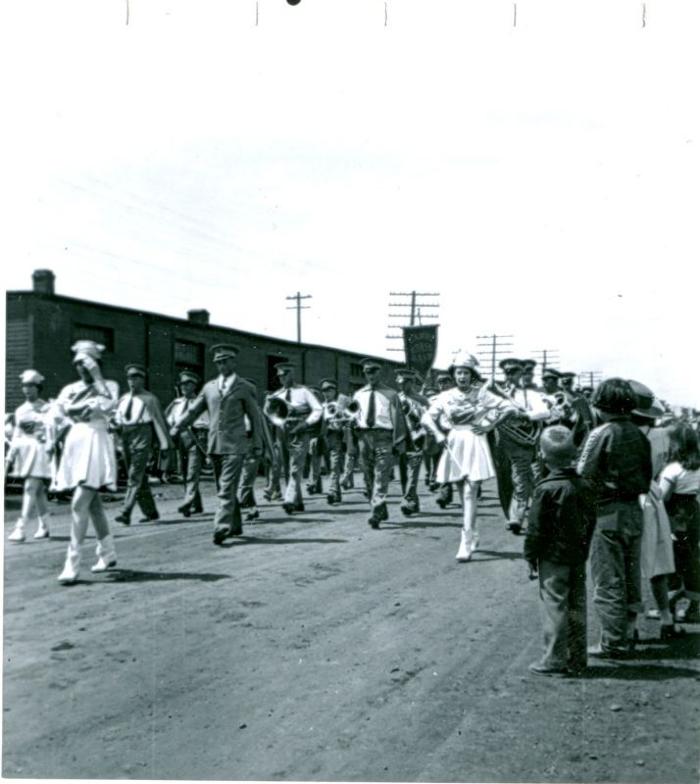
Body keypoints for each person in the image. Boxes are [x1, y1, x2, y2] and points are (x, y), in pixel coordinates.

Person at [577, 378, 652, 658]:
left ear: (601, 404)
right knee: (631, 575)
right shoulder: (639, 434)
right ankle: (629, 630)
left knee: (608, 578)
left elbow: (583, 473)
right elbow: (647, 474)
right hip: (634, 510)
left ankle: (612, 640)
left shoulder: (601, 433)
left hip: (607, 512)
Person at [422, 351, 515, 561]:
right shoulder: (445, 396)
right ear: (453, 374)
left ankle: (465, 541)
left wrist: (491, 425)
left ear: (472, 374)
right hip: (454, 441)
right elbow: (427, 417)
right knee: (462, 492)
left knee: (470, 491)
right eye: (458, 373)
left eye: (465, 373)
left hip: (475, 441)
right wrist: (437, 433)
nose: (461, 377)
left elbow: (509, 408)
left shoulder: (482, 394)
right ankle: (472, 530)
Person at [170, 344, 264, 545]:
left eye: (225, 361)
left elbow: (255, 418)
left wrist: (257, 443)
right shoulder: (209, 387)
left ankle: (221, 527)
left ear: (233, 362)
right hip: (214, 445)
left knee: (226, 487)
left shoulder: (245, 387)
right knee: (224, 486)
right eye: (218, 362)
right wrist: (178, 426)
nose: (221, 365)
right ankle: (236, 525)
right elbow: (194, 411)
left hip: (236, 446)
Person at [525, 426, 596, 676]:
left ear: (543, 456)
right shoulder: (584, 485)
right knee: (577, 603)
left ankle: (554, 658)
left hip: (552, 557)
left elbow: (535, 529)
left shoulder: (545, 489)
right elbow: (591, 521)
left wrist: (530, 556)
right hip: (577, 554)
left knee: (554, 605)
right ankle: (577, 657)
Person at [51, 341, 120, 583]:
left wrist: (96, 376)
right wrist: (75, 410)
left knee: (79, 503)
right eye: (79, 363)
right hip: (76, 444)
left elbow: (109, 405)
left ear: (97, 364)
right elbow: (58, 413)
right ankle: (108, 552)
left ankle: (72, 563)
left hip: (95, 443)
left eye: (87, 363)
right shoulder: (70, 388)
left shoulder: (109, 385)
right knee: (93, 506)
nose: (82, 368)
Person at [628, 380, 680, 639]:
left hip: (630, 497)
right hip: (653, 495)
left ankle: (631, 625)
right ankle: (666, 617)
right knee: (657, 560)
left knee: (630, 563)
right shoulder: (662, 435)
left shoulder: (621, 434)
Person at [113, 364, 173, 525]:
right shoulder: (123, 399)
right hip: (125, 435)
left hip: (142, 433)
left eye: (136, 377)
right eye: (129, 378)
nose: (132, 381)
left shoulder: (150, 399)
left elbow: (159, 422)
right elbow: (117, 419)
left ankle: (125, 511)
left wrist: (165, 445)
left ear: (142, 379)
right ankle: (150, 512)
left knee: (135, 474)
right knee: (138, 476)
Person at [497, 358, 550, 536]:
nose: (509, 376)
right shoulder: (497, 394)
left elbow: (545, 412)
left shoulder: (529, 395)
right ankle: (513, 514)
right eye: (507, 372)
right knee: (507, 481)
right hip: (502, 443)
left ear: (521, 374)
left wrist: (524, 414)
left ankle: (517, 517)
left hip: (523, 442)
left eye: (513, 372)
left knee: (521, 477)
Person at [353, 358, 408, 528]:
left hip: (384, 437)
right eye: (367, 372)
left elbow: (398, 419)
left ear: (380, 373)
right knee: (368, 476)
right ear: (364, 374)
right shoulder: (358, 395)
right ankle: (380, 506)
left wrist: (398, 442)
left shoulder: (391, 395)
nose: (371, 375)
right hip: (364, 437)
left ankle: (376, 511)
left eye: (374, 371)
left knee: (381, 474)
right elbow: (354, 417)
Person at [264, 363, 322, 515]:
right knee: (287, 467)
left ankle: (289, 499)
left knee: (295, 467)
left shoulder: (304, 391)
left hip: (300, 429)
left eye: (284, 375)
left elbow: (318, 409)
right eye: (280, 376)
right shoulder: (277, 394)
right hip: (282, 430)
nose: (282, 378)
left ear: (291, 374)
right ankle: (298, 502)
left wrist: (306, 424)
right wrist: (267, 405)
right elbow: (269, 413)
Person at [658, 423, 700, 624]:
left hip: (674, 515)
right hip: (693, 512)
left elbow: (663, 496)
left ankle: (669, 606)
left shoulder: (672, 469)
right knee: (692, 559)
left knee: (672, 560)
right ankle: (694, 607)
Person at [6, 370, 54, 542]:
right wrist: (9, 458)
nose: (27, 390)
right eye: (25, 386)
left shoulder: (46, 408)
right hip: (26, 454)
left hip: (41, 453)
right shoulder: (20, 411)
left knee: (29, 487)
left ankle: (21, 528)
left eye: (31, 386)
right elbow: (17, 435)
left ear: (38, 388)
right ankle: (45, 525)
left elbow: (51, 432)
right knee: (38, 490)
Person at [165, 370, 210, 517]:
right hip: (180, 439)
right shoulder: (176, 403)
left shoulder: (202, 402)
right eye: (182, 383)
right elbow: (168, 420)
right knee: (184, 472)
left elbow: (208, 422)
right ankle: (197, 505)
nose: (184, 386)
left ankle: (188, 501)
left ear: (194, 385)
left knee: (192, 471)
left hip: (197, 437)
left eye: (187, 383)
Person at [395, 368, 429, 516]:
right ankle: (413, 502)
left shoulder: (421, 400)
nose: (401, 386)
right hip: (401, 439)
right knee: (403, 474)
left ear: (411, 382)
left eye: (404, 383)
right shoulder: (396, 398)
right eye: (400, 383)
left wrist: (412, 414)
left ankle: (408, 499)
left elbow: (428, 421)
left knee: (413, 473)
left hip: (417, 439)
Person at [318, 378, 352, 505]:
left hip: (340, 436)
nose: (326, 393)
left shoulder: (343, 400)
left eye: (329, 390)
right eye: (323, 390)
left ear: (335, 389)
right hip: (327, 436)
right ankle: (336, 493)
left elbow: (354, 412)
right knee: (332, 466)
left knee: (335, 464)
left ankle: (332, 491)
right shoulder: (323, 405)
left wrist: (344, 419)